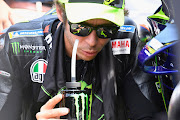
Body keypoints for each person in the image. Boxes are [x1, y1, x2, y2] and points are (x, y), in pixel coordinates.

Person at [0, 0, 159, 120]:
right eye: (81, 28)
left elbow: (146, 114)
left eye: (107, 30)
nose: (92, 41)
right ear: (61, 13)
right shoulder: (19, 45)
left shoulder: (126, 37)